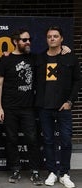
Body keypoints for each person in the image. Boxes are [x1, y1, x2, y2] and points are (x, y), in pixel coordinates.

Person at [0, 28, 43, 185]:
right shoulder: (6, 60)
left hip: (28, 107)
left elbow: (51, 55)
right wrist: (0, 107)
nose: (28, 42)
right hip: (9, 107)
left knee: (32, 139)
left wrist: (64, 48)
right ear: (15, 41)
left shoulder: (34, 58)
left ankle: (35, 171)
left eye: (29, 39)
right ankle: (15, 170)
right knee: (11, 139)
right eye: (24, 40)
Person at [35, 26, 81, 188]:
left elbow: (77, 81)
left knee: (66, 141)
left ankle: (65, 173)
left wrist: (70, 101)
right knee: (48, 141)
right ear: (46, 39)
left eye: (55, 36)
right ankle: (52, 172)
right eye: (49, 36)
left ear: (62, 39)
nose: (52, 39)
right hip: (44, 107)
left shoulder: (70, 58)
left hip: (64, 107)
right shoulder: (39, 59)